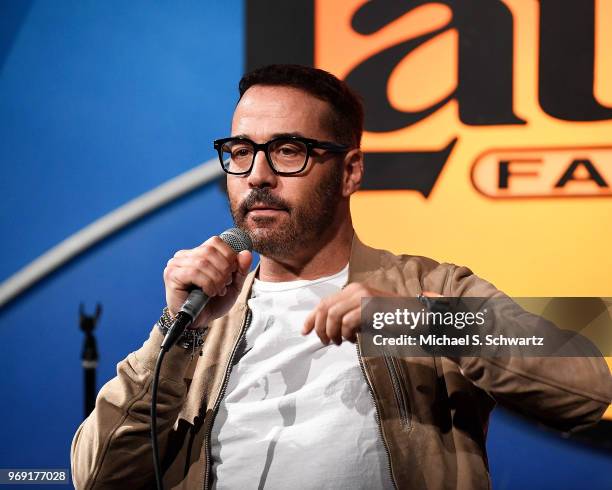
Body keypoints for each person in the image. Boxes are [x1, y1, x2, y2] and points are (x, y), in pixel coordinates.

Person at [71, 64, 612, 490]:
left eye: (288, 151)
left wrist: (424, 324)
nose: (257, 175)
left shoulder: (428, 288)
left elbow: (586, 387)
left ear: (350, 170)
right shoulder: (205, 315)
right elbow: (96, 476)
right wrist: (177, 329)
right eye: (240, 152)